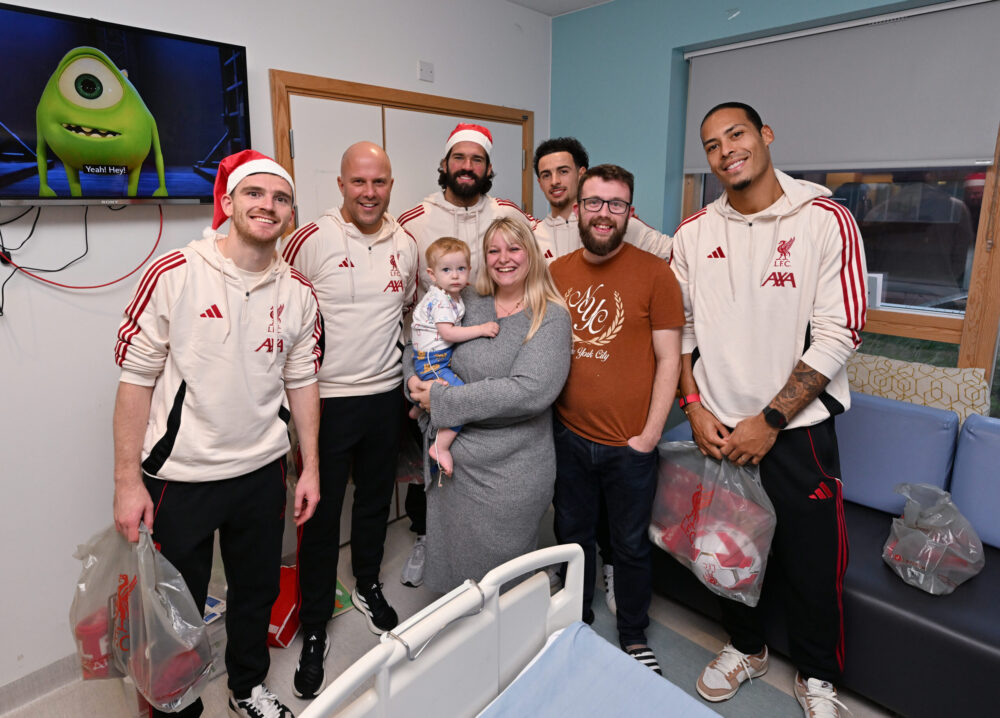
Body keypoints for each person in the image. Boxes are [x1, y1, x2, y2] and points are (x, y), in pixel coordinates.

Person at [671, 102, 867, 718]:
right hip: (718, 428)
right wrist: (694, 404)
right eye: (711, 144)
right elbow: (678, 331)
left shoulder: (824, 220)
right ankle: (747, 648)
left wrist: (771, 420)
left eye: (737, 134)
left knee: (813, 568)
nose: (726, 149)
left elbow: (842, 332)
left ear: (766, 136)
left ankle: (816, 677)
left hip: (798, 434)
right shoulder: (694, 234)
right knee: (727, 553)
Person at [113, 150, 324, 718]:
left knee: (254, 593)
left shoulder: (299, 291)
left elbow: (302, 380)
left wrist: (311, 467)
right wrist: (127, 482)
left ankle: (247, 687)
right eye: (254, 193)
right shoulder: (176, 273)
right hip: (181, 477)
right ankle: (176, 706)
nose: (268, 205)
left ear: (290, 212)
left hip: (262, 472)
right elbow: (134, 379)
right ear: (227, 203)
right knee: (173, 607)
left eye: (281, 198)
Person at [281, 142, 418, 699]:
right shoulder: (311, 239)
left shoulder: (405, 244)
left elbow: (407, 308)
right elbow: (280, 306)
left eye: (379, 182)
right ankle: (315, 624)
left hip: (384, 395)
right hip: (325, 400)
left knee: (373, 501)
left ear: (391, 185)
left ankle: (366, 583)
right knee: (319, 515)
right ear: (340, 184)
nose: (369, 192)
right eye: (359, 182)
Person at [548, 164, 683, 676]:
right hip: (569, 437)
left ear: (629, 211)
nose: (604, 213)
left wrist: (649, 436)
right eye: (595, 202)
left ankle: (632, 633)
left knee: (628, 545)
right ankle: (575, 620)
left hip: (631, 446)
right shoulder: (557, 272)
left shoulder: (655, 273)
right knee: (572, 535)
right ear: (578, 208)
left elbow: (669, 358)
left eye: (616, 204)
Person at [397, 122, 537, 587]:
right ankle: (428, 539)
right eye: (460, 158)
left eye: (477, 160)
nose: (467, 167)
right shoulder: (413, 220)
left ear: (490, 168)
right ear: (444, 164)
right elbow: (401, 301)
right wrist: (409, 371)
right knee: (432, 450)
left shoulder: (508, 213)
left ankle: (484, 556)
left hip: (489, 343)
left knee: (473, 449)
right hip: (435, 350)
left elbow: (533, 256)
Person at [406, 216, 571, 593]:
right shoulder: (467, 300)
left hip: (508, 472)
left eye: (514, 248)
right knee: (452, 572)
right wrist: (413, 381)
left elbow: (528, 391)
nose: (503, 259)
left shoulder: (550, 316)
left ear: (531, 253)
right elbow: (422, 340)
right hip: (452, 468)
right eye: (493, 250)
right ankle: (454, 638)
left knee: (499, 585)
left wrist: (442, 399)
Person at [410, 237, 500, 475]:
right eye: (446, 270)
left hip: (433, 358)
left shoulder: (450, 294)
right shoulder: (440, 299)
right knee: (458, 397)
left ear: (469, 270)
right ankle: (440, 447)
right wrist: (482, 329)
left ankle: (419, 408)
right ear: (432, 274)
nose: (455, 275)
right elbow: (448, 332)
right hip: (432, 361)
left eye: (461, 269)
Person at [533, 136, 672, 262]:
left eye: (563, 171)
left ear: (581, 174)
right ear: (540, 183)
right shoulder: (533, 237)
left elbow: (674, 253)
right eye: (546, 175)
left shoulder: (613, 223)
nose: (554, 181)